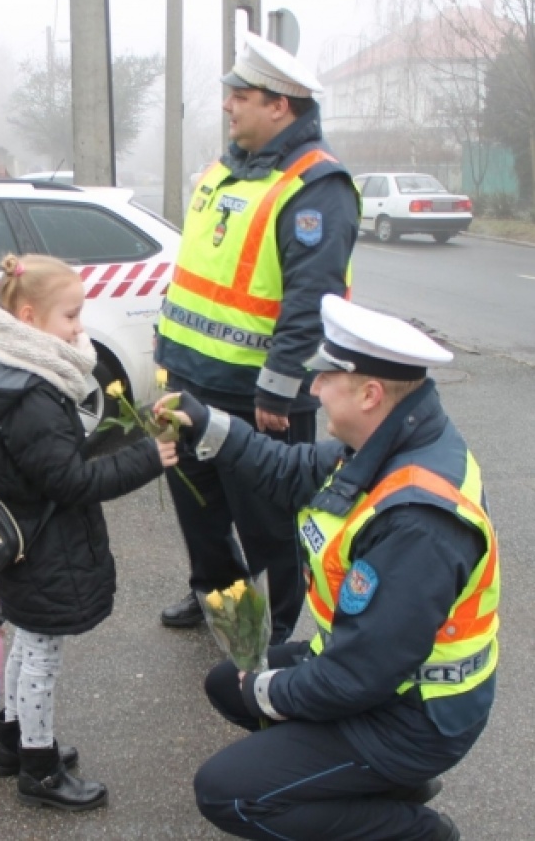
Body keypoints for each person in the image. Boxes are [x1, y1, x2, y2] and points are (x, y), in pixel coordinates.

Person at [155, 296, 499, 841]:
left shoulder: (417, 522)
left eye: (325, 377)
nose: (312, 388)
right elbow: (289, 470)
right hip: (383, 682)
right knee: (229, 681)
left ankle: (413, 829)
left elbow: (356, 677)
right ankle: (374, 788)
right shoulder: (391, 441)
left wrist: (269, 690)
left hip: (415, 715)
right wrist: (205, 423)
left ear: (370, 394)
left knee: (226, 792)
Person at [155, 32, 360, 644]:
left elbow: (311, 302)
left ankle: (274, 632)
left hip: (258, 399)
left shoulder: (317, 186)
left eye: (241, 95)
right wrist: (167, 363)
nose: (228, 106)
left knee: (270, 525)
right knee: (200, 512)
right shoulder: (225, 169)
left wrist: (278, 393)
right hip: (191, 380)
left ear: (281, 106)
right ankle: (222, 602)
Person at [0, 253, 176, 812]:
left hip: (21, 537)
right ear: (28, 316)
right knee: (41, 655)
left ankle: (12, 744)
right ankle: (39, 769)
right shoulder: (34, 397)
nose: (81, 329)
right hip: (43, 544)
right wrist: (149, 457)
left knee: (28, 641)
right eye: (72, 318)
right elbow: (72, 481)